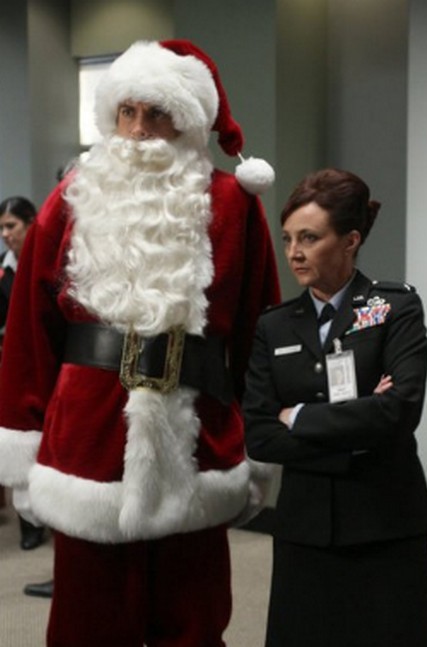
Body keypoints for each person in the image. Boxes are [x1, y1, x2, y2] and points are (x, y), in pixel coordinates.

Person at [0, 39, 280, 646]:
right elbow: (29, 334)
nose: (138, 131)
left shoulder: (234, 205)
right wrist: (22, 454)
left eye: (156, 114)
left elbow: (260, 336)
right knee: (86, 626)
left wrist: (258, 448)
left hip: (199, 442)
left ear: (188, 123)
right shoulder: (70, 201)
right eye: (126, 112)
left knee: (194, 623)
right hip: (86, 444)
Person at [243, 168, 427, 647]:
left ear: (350, 241)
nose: (294, 251)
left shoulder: (395, 309)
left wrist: (300, 418)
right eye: (288, 238)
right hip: (305, 526)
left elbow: (399, 413)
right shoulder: (274, 326)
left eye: (310, 238)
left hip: (385, 519)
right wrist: (357, 434)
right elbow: (261, 435)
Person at [0, 196, 47, 552]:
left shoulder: (48, 258)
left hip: (47, 363)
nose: (5, 234)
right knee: (19, 439)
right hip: (12, 363)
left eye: (11, 226)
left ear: (31, 223)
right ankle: (29, 524)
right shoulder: (3, 270)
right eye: (1, 228)